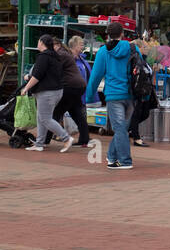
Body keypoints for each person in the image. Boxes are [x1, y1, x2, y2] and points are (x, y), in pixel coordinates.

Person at [84, 22, 136, 169]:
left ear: (107, 34)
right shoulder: (133, 48)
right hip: (131, 93)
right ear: (122, 34)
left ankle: (125, 161)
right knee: (122, 128)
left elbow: (95, 77)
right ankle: (112, 157)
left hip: (113, 94)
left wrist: (89, 96)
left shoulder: (103, 52)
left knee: (119, 128)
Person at [20, 35, 76, 153]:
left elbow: (37, 76)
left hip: (47, 92)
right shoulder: (55, 56)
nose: (37, 43)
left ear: (42, 43)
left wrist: (26, 87)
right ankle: (39, 143)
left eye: (38, 41)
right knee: (41, 117)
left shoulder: (43, 57)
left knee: (45, 118)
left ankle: (66, 138)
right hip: (56, 91)